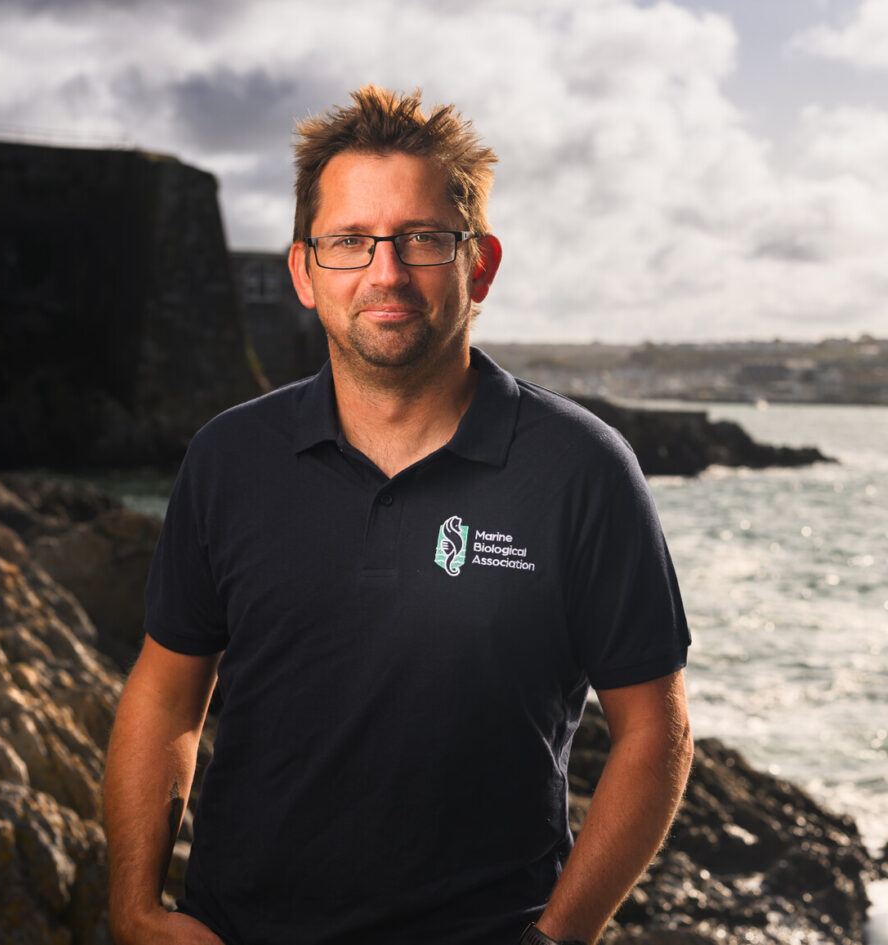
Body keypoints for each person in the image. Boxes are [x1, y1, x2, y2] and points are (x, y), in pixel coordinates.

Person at [104, 86, 693, 945]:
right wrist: (135, 908)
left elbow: (655, 729)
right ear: (305, 271)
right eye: (349, 241)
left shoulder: (581, 469)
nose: (385, 272)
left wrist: (556, 937)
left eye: (421, 238)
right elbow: (164, 694)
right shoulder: (228, 459)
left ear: (478, 265)